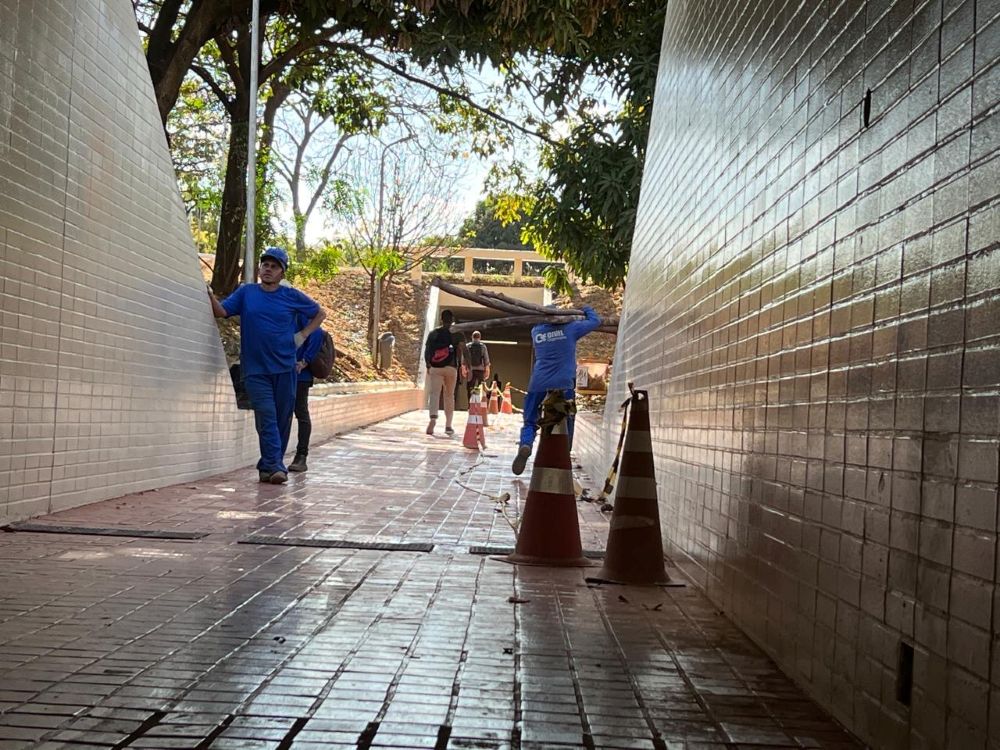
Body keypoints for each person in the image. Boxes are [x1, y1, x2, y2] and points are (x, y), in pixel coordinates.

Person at [208, 247, 326, 484]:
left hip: (285, 368)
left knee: (281, 419)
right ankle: (274, 465)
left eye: (274, 266)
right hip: (256, 369)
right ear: (260, 269)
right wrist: (209, 294)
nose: (268, 269)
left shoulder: (290, 295)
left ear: (282, 273)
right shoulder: (247, 293)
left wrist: (301, 335)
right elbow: (222, 312)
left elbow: (319, 313)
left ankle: (268, 466)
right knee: (268, 415)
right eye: (265, 265)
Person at [512, 306, 602, 475]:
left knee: (530, 419)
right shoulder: (571, 329)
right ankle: (564, 451)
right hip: (564, 383)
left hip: (538, 382)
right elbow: (595, 321)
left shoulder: (536, 331)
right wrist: (585, 309)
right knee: (568, 417)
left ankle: (526, 443)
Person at [288, 312, 325, 473]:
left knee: (301, 413)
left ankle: (301, 455)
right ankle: (274, 457)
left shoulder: (300, 314)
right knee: (279, 414)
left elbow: (317, 333)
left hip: (299, 375)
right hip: (279, 372)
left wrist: (305, 361)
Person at [424, 309, 467, 436]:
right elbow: (464, 350)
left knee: (434, 393)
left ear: (441, 319)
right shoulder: (457, 333)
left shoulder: (433, 333)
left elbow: (427, 351)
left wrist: (428, 365)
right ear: (452, 319)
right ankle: (448, 426)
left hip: (436, 367)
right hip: (451, 367)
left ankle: (433, 418)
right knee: (449, 396)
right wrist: (466, 365)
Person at [465, 331, 491, 402]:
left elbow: (464, 358)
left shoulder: (468, 346)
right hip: (480, 370)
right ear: (480, 337)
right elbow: (486, 359)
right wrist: (487, 370)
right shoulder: (483, 346)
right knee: (480, 387)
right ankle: (478, 404)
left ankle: (470, 405)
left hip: (471, 370)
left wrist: (464, 369)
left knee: (470, 387)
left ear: (472, 337)